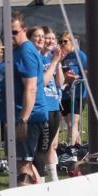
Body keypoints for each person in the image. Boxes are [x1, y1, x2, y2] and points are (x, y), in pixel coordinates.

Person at [12, 12, 48, 185]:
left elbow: (31, 88)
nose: (11, 36)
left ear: (23, 30)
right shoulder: (18, 50)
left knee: (23, 165)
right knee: (23, 162)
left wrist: (23, 120)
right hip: (22, 115)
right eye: (7, 32)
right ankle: (40, 195)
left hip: (29, 116)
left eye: (14, 32)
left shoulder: (26, 52)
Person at [34, 26, 64, 182]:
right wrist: (53, 62)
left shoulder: (53, 58)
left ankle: (54, 180)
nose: (52, 41)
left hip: (54, 106)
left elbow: (60, 83)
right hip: (43, 107)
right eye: (48, 38)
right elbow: (43, 82)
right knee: (43, 147)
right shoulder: (38, 57)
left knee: (52, 146)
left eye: (54, 38)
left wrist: (57, 63)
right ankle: (41, 180)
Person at [58, 31, 88, 147]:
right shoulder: (61, 56)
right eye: (60, 42)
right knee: (69, 123)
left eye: (65, 41)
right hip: (64, 93)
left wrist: (77, 78)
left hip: (77, 93)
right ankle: (78, 147)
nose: (62, 44)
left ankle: (70, 149)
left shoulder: (80, 55)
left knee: (72, 123)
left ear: (71, 42)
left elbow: (86, 73)